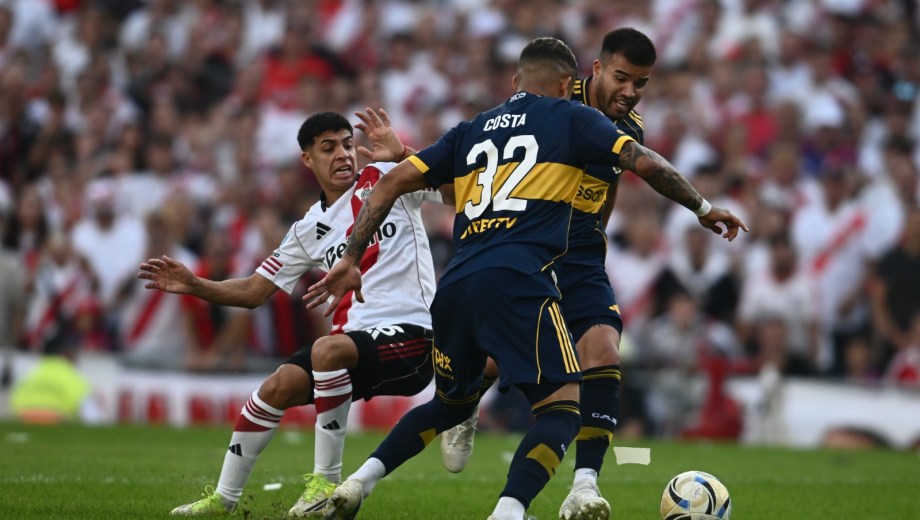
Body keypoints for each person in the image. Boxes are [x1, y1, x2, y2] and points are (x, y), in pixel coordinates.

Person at [307, 37, 745, 520]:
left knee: (601, 349)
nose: (629, 91)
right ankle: (499, 478)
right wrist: (703, 208)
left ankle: (583, 487)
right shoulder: (565, 108)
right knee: (544, 392)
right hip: (526, 257)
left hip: (561, 256)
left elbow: (488, 171)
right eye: (621, 78)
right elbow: (484, 176)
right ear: (590, 72)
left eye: (640, 84)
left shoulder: (612, 122)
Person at [139, 112, 440, 517]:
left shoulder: (390, 177)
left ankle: (323, 486)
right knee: (276, 386)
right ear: (307, 160)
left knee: (326, 350)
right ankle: (222, 501)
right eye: (328, 148)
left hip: (411, 336)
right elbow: (253, 291)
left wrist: (406, 152)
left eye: (347, 144)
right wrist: (196, 285)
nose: (343, 155)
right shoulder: (309, 228)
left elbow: (459, 191)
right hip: (354, 344)